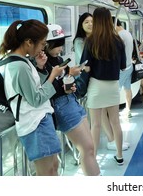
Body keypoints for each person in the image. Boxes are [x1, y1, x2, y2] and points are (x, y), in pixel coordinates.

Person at [0, 20, 65, 175]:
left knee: (53, 165)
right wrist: (52, 77)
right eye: (42, 44)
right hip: (34, 124)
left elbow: (34, 89)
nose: (44, 48)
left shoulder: (23, 61)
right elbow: (36, 99)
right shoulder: (19, 66)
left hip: (40, 120)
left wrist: (41, 67)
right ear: (29, 42)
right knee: (47, 172)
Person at [43, 24, 100, 175]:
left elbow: (61, 83)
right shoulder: (41, 64)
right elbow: (46, 90)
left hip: (71, 101)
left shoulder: (59, 59)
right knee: (87, 148)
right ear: (47, 44)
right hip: (62, 106)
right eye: (58, 45)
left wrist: (70, 83)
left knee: (90, 148)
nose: (60, 49)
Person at [80, 7, 127, 166]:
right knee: (115, 122)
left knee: (96, 124)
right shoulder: (118, 40)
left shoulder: (90, 41)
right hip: (113, 85)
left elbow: (85, 66)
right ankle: (119, 156)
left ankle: (93, 159)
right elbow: (123, 65)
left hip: (96, 86)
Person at [115, 18, 134, 118]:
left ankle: (114, 112)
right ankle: (128, 110)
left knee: (116, 90)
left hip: (122, 68)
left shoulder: (119, 35)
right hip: (129, 65)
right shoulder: (128, 33)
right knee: (127, 89)